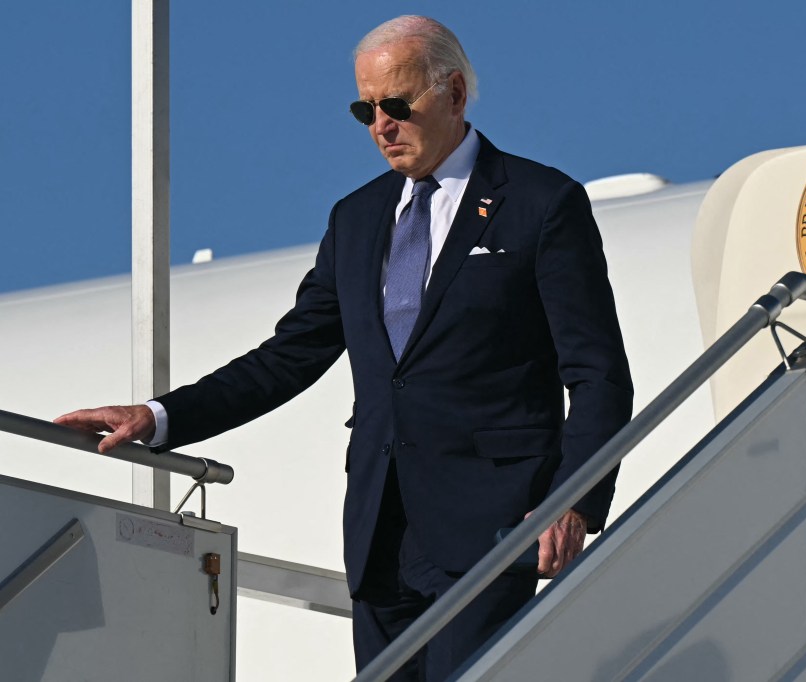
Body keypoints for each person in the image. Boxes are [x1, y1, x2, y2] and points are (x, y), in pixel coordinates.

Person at [56, 15, 632, 680]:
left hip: (494, 521)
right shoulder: (356, 219)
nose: (380, 126)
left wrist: (575, 499)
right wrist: (158, 418)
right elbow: (289, 356)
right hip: (380, 527)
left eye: (396, 105)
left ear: (453, 93)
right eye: (365, 109)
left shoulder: (539, 202)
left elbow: (597, 372)